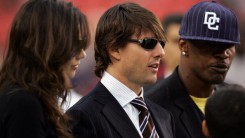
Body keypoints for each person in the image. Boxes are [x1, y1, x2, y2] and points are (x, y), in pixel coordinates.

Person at [66, 2, 174, 138]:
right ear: (114, 49)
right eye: (149, 43)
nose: (161, 52)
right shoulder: (82, 117)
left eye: (162, 44)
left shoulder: (163, 115)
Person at [145, 1, 240, 138]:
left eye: (229, 45)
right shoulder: (150, 107)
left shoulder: (237, 103)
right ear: (184, 46)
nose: (223, 53)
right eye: (211, 44)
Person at [0, 0, 91, 137]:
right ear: (48, 45)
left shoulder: (27, 97)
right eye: (74, 44)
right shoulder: (24, 103)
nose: (82, 54)